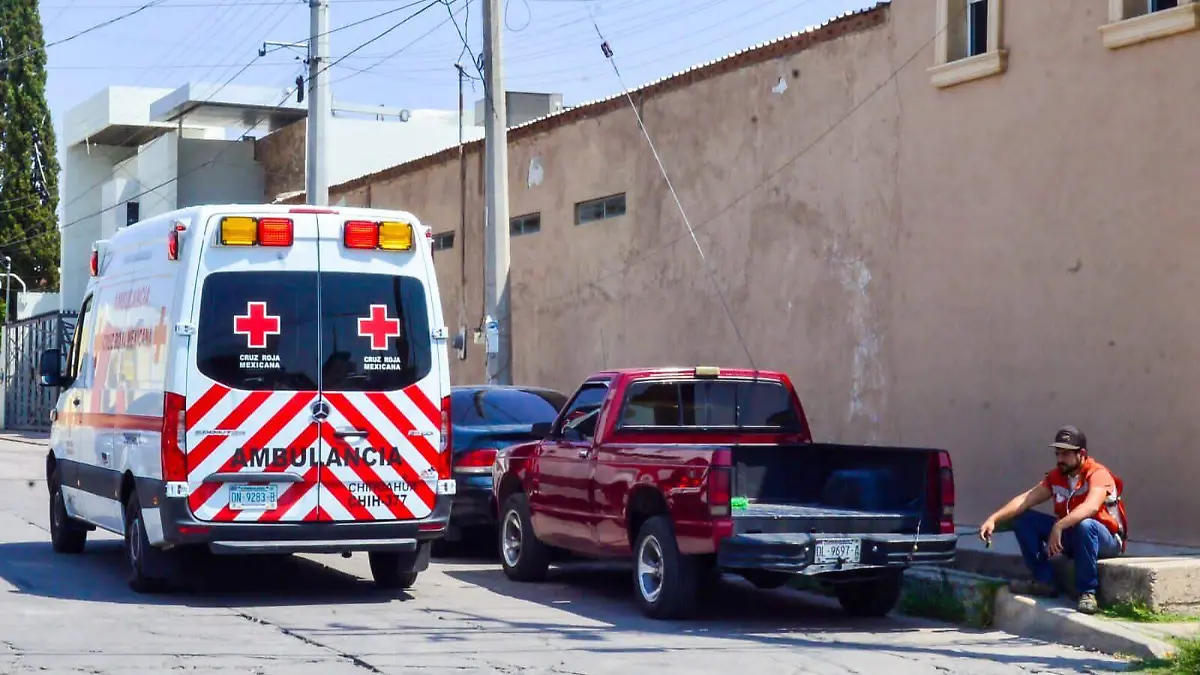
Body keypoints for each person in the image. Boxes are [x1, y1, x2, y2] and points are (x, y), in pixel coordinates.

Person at [978, 425, 1128, 615]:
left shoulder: (1098, 474)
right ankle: (1045, 581)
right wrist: (994, 519)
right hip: (1074, 533)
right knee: (1023, 519)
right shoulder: (1058, 476)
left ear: (1081, 454)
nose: (1060, 460)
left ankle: (1087, 593)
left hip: (1106, 539)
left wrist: (1059, 526)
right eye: (1057, 454)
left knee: (1085, 524)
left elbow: (1091, 507)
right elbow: (1026, 499)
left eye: (1065, 455)